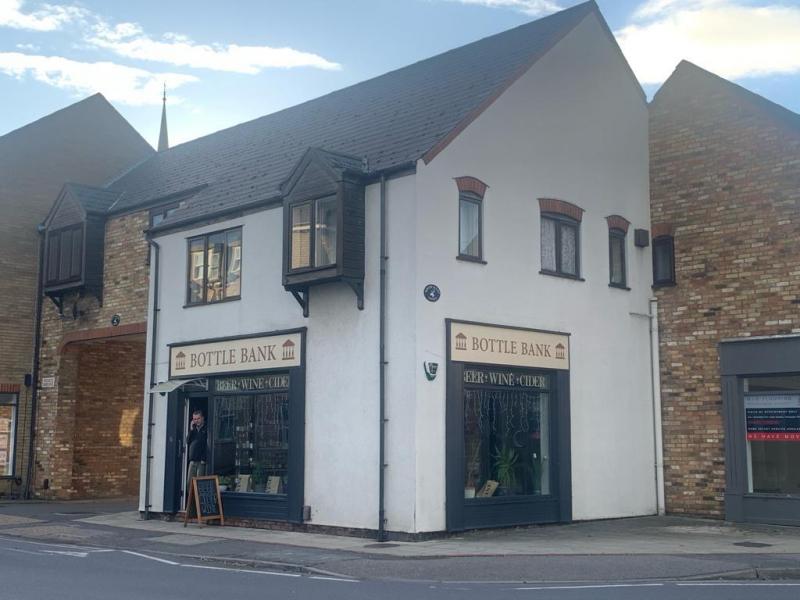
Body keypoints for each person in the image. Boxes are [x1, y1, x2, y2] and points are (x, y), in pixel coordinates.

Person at [186, 409, 208, 481]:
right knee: (190, 482)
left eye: (198, 418)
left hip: (201, 461)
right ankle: (190, 493)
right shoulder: (193, 429)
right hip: (192, 461)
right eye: (194, 419)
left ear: (202, 418)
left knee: (199, 482)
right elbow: (187, 441)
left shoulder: (207, 428)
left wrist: (204, 458)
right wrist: (191, 429)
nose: (196, 421)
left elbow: (208, 445)